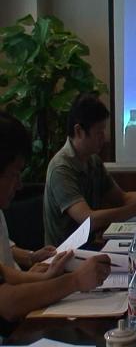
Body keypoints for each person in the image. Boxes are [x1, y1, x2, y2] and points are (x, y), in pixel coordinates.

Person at [0, 111, 110, 327]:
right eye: (14, 174)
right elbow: (7, 304)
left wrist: (42, 276)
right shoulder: (62, 167)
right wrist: (75, 281)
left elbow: (3, 271)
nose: (20, 185)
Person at [44, 93, 136, 246]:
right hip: (66, 254)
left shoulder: (93, 161)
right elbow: (87, 220)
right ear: (79, 131)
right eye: (99, 132)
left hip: (91, 245)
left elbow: (122, 198)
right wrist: (135, 210)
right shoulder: (61, 169)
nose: (103, 137)